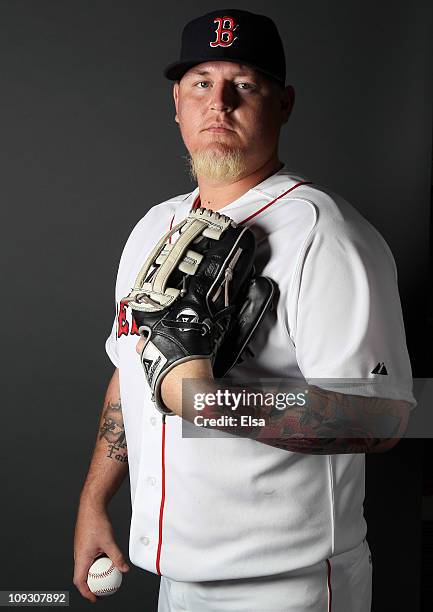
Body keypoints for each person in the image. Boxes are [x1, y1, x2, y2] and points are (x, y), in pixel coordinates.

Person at [73, 9, 416, 611]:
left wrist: (209, 402)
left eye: (245, 85)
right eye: (202, 82)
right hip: (174, 579)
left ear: (283, 104)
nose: (219, 103)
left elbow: (384, 420)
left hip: (290, 586)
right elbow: (132, 369)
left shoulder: (325, 234)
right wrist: (95, 501)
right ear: (176, 100)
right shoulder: (156, 225)